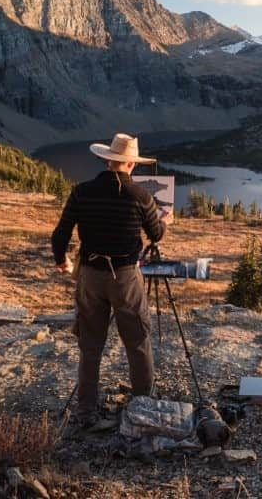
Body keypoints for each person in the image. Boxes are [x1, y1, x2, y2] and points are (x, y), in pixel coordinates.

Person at [51, 133, 170, 427]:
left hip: (91, 275)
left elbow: (60, 233)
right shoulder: (141, 196)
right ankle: (142, 406)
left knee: (90, 344)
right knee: (137, 340)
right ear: (130, 164)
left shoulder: (82, 191)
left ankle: (86, 412)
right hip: (126, 277)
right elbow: (156, 235)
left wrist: (61, 260)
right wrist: (164, 221)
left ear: (108, 160)